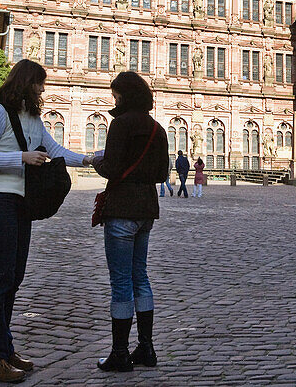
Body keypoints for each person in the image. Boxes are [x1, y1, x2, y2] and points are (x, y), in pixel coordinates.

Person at [0, 59, 95, 383]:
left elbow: (53, 149)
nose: (43, 89)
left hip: (21, 201)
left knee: (13, 278)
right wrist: (21, 158)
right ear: (26, 83)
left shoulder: (33, 117)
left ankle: (4, 348)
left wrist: (89, 159)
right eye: (39, 83)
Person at [92, 72, 170, 372]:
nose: (114, 100)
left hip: (122, 208)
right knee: (141, 277)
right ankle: (146, 348)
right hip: (146, 210)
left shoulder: (120, 124)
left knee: (121, 282)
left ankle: (120, 353)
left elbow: (111, 167)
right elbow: (162, 174)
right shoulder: (158, 128)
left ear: (123, 96)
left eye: (116, 96)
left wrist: (95, 160)